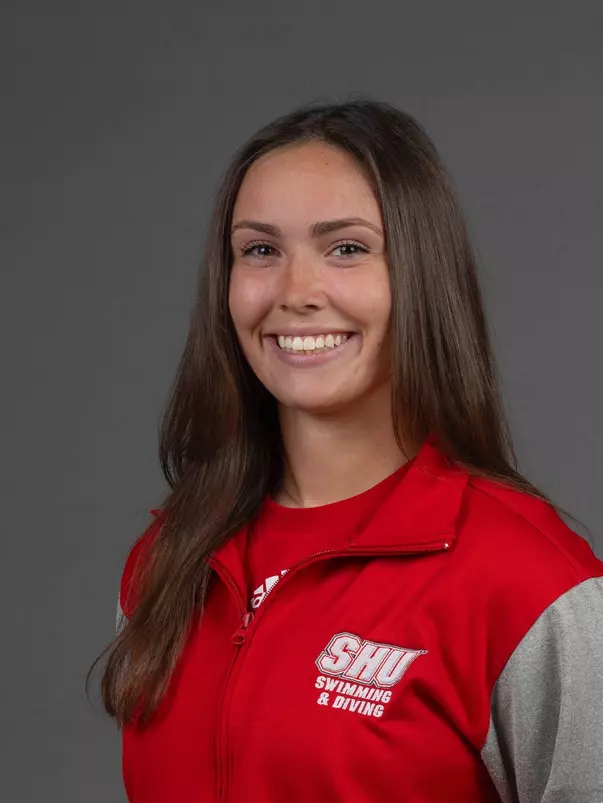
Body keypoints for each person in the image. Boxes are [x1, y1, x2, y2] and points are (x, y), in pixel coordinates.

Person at [97, 98, 603, 802]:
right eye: (260, 250)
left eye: (347, 248)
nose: (296, 291)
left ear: (419, 277)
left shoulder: (529, 582)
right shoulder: (167, 562)